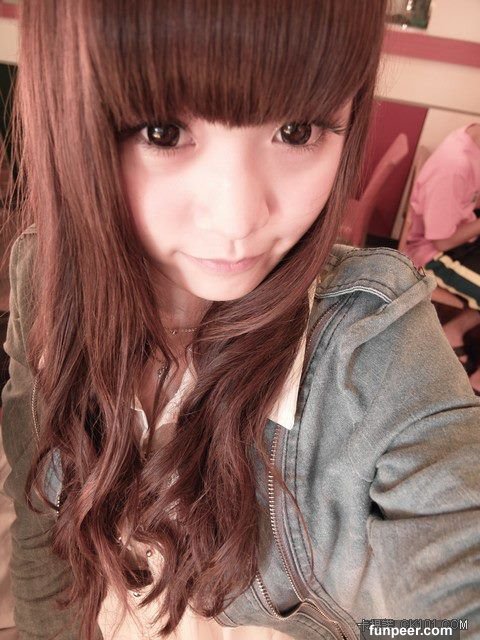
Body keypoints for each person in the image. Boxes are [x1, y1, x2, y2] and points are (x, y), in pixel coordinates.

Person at [1, 2, 479, 639]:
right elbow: (42, 524)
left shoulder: (373, 344)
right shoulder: (43, 277)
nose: (237, 219)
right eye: (163, 133)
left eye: (297, 132)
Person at [405, 123, 480, 392]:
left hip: (460, 236)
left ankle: (454, 332)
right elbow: (442, 240)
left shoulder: (473, 138)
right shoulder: (454, 167)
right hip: (433, 253)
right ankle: (475, 384)